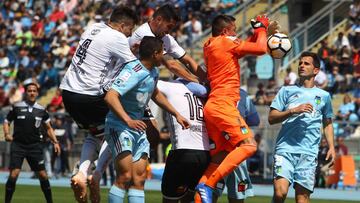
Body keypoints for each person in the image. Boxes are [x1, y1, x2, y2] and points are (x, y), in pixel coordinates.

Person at [59, 6, 138, 202]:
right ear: (122, 26)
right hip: (89, 95)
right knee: (118, 130)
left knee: (94, 135)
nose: (130, 35)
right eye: (130, 30)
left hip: (68, 93)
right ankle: (96, 176)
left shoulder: (92, 28)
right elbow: (134, 67)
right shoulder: (118, 38)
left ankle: (82, 172)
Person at [104, 36, 189, 203]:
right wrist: (128, 120)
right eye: (162, 52)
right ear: (155, 54)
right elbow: (110, 96)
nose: (164, 56)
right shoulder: (133, 71)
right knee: (125, 176)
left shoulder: (153, 72)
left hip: (137, 129)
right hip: (120, 127)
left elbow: (155, 94)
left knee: (139, 179)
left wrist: (176, 114)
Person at [195, 14, 269, 203]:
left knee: (220, 157)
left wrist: (257, 33)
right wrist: (262, 29)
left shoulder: (210, 44)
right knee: (249, 145)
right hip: (223, 105)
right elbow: (261, 49)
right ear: (225, 31)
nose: (236, 33)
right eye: (234, 30)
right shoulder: (226, 42)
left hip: (214, 105)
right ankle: (208, 184)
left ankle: (202, 192)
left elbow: (244, 48)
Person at [268, 52, 336, 203]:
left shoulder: (324, 96)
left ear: (316, 70)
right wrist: (293, 110)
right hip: (285, 150)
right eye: (300, 63)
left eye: (306, 63)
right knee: (280, 193)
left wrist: (332, 146)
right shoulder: (286, 91)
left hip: (309, 153)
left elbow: (328, 123)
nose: (301, 66)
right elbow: (271, 118)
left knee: (302, 198)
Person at [3, 82, 61, 203]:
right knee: (14, 174)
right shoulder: (16, 106)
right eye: (29, 91)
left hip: (35, 146)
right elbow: (6, 121)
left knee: (43, 175)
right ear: (26, 93)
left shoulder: (41, 109)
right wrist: (7, 134)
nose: (32, 93)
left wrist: (55, 142)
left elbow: (49, 128)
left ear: (37, 93)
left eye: (34, 91)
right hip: (18, 145)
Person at [157, 79, 210, 203]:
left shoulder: (171, 86)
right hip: (205, 154)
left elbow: (145, 79)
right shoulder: (203, 92)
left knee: (170, 198)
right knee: (189, 197)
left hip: (183, 151)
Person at [128, 4, 206, 84]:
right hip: (128, 80)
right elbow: (171, 64)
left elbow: (188, 60)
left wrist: (206, 80)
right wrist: (197, 80)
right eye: (169, 26)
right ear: (159, 19)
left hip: (145, 80)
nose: (169, 31)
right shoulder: (144, 34)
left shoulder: (166, 37)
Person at [215, 89, 260, 203]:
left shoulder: (212, 89)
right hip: (238, 150)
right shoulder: (243, 94)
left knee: (211, 193)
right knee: (237, 195)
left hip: (217, 150)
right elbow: (255, 120)